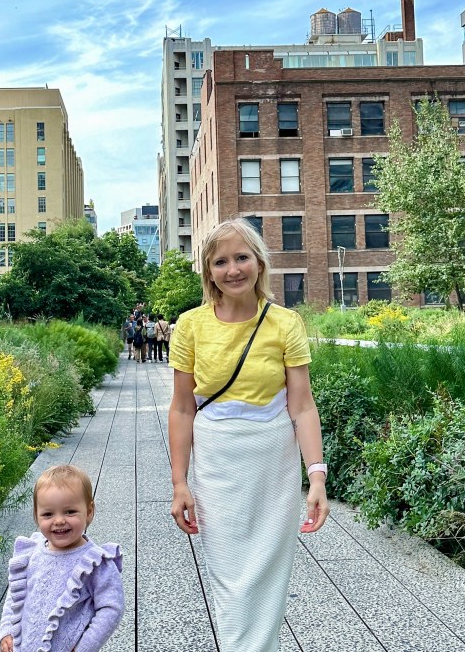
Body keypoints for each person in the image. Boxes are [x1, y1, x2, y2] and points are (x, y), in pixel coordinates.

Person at [167, 217, 329, 652]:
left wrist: (316, 476)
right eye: (221, 261)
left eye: (242, 257)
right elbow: (183, 408)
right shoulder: (190, 326)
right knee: (227, 570)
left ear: (259, 263)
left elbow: (302, 405)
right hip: (217, 459)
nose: (233, 269)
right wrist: (180, 483)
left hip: (273, 457)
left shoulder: (285, 323)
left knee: (267, 569)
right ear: (208, 271)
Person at [0, 464, 124, 652]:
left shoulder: (95, 563)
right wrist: (8, 629)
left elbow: (111, 607)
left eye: (70, 511)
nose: (59, 520)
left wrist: (84, 647)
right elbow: (16, 595)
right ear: (36, 516)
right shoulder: (32, 552)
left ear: (89, 511)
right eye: (48, 514)